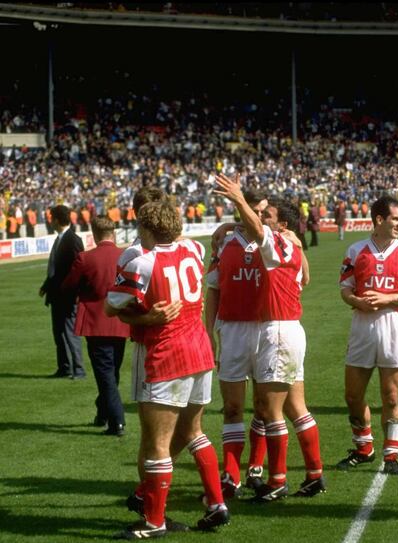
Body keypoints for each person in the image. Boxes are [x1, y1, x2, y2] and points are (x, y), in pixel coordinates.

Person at [106, 200, 229, 538]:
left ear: (145, 229)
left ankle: (154, 521)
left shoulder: (143, 263)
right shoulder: (192, 249)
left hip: (166, 354)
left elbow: (111, 305)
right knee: (194, 431)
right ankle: (216, 504)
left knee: (158, 442)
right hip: (200, 350)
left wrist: (146, 316)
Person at [208, 178, 325, 501]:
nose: (260, 217)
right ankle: (236, 477)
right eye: (257, 211)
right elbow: (214, 288)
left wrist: (238, 205)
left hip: (276, 328)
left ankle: (278, 478)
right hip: (238, 329)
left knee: (271, 409)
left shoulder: (283, 242)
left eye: (265, 212)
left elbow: (264, 237)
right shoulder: (227, 242)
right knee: (240, 408)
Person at [337, 195, 398, 476]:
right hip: (362, 327)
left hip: (393, 327)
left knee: (391, 396)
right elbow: (345, 289)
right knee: (353, 396)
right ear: (379, 220)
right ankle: (364, 448)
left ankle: (392, 455)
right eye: (396, 219)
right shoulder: (355, 251)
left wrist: (389, 298)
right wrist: (357, 301)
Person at [60, 216, 130, 435]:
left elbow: (69, 285)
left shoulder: (86, 258)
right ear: (114, 232)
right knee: (112, 372)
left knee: (106, 374)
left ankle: (116, 421)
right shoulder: (125, 257)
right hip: (121, 321)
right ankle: (103, 413)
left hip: (96, 322)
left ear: (94, 233)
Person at [39, 205, 86, 379]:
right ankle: (64, 367)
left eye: (51, 218)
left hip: (67, 296)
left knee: (69, 332)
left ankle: (78, 369)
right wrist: (46, 286)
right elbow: (56, 270)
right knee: (59, 333)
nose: (50, 221)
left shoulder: (72, 239)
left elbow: (78, 269)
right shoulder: (62, 238)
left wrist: (74, 292)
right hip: (58, 295)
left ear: (57, 220)